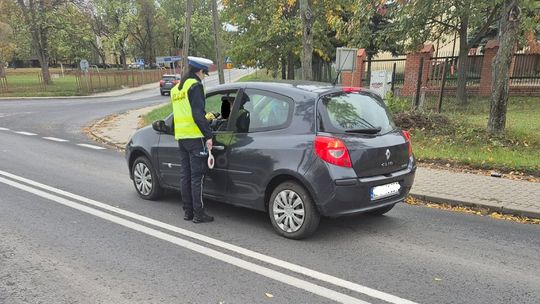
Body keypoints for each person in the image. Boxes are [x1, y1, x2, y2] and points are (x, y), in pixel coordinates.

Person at [170, 56, 215, 223]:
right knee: (197, 177)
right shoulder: (195, 86)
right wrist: (209, 134)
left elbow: (181, 114)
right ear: (199, 71)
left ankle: (188, 211)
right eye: (204, 73)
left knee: (185, 175)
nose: (204, 77)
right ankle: (199, 214)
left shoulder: (177, 89)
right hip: (195, 137)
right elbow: (196, 114)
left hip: (181, 137)